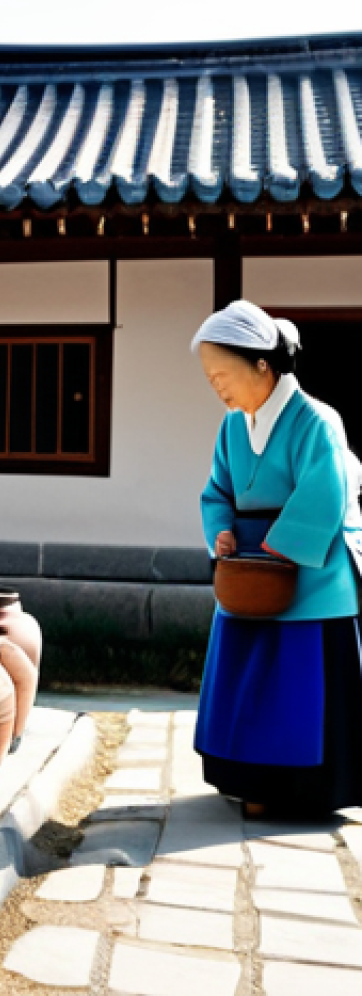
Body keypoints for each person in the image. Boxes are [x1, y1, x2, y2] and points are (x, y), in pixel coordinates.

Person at [191, 299, 362, 819]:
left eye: (223, 373)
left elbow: (327, 492)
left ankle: (307, 791)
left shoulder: (317, 421)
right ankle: (250, 782)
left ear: (261, 364)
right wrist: (220, 532)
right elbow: (217, 490)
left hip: (310, 571)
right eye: (210, 376)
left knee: (297, 683)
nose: (216, 385)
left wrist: (279, 550)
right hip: (247, 568)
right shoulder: (230, 427)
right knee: (247, 674)